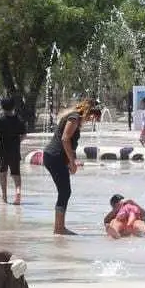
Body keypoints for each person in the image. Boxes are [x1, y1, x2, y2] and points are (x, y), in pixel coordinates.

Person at [43, 100, 103, 236]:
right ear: (90, 112)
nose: (92, 121)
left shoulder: (75, 117)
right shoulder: (75, 117)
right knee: (65, 191)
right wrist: (72, 161)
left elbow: (70, 142)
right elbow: (65, 139)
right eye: (94, 117)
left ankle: (59, 227)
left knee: (64, 191)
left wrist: (72, 160)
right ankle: (59, 228)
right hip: (55, 156)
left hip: (55, 157)